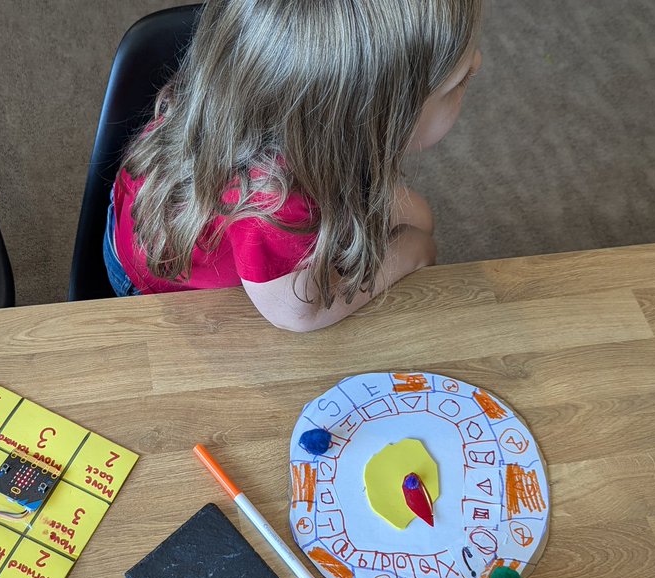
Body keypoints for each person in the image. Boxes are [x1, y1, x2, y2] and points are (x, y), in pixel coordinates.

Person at [104, 0, 483, 332]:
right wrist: (411, 255)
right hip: (160, 291)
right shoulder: (273, 203)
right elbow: (296, 314)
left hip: (168, 207)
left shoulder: (291, 121)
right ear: (370, 118)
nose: (478, 63)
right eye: (460, 81)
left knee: (418, 217)